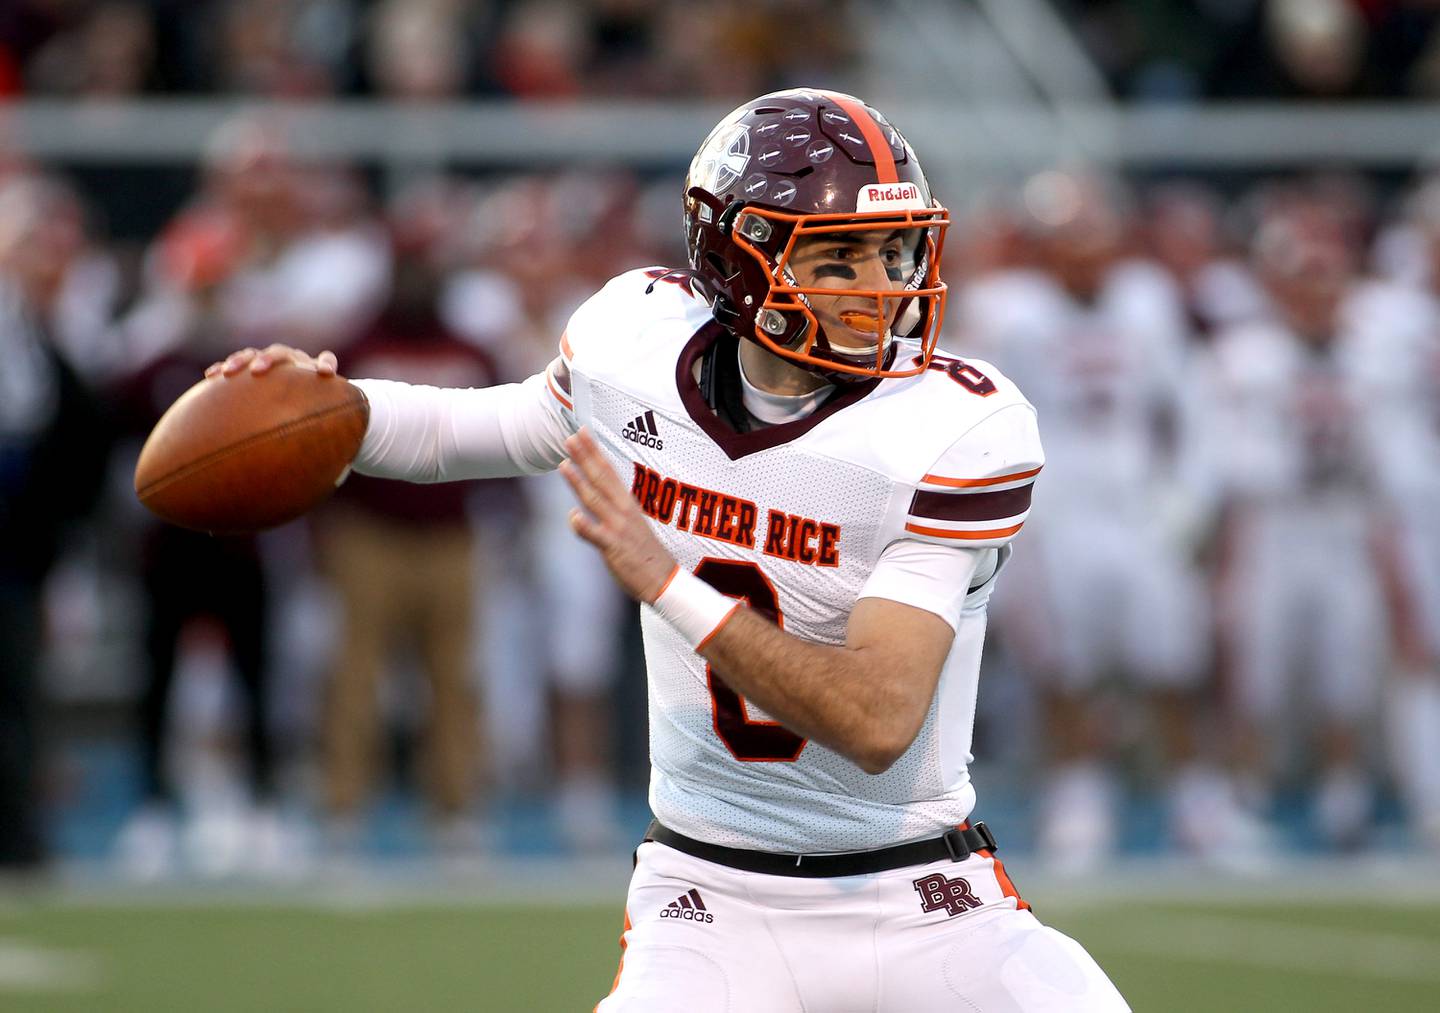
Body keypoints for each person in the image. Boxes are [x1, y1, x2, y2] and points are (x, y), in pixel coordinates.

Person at [214, 89, 1130, 1010]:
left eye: (894, 250)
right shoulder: (636, 342)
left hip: (925, 898)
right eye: (839, 254)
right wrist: (330, 414)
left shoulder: (952, 427)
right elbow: (488, 424)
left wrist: (668, 583)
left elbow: (877, 719)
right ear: (737, 255)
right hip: (711, 897)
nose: (883, 284)